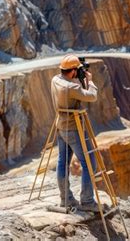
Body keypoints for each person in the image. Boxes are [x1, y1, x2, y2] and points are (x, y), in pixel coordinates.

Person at [50, 54, 98, 212]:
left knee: (62, 163)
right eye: (76, 71)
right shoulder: (72, 88)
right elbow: (92, 96)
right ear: (72, 71)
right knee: (89, 163)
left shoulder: (56, 80)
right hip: (74, 128)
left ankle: (66, 199)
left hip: (61, 126)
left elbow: (73, 87)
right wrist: (89, 80)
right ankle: (87, 201)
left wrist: (78, 77)